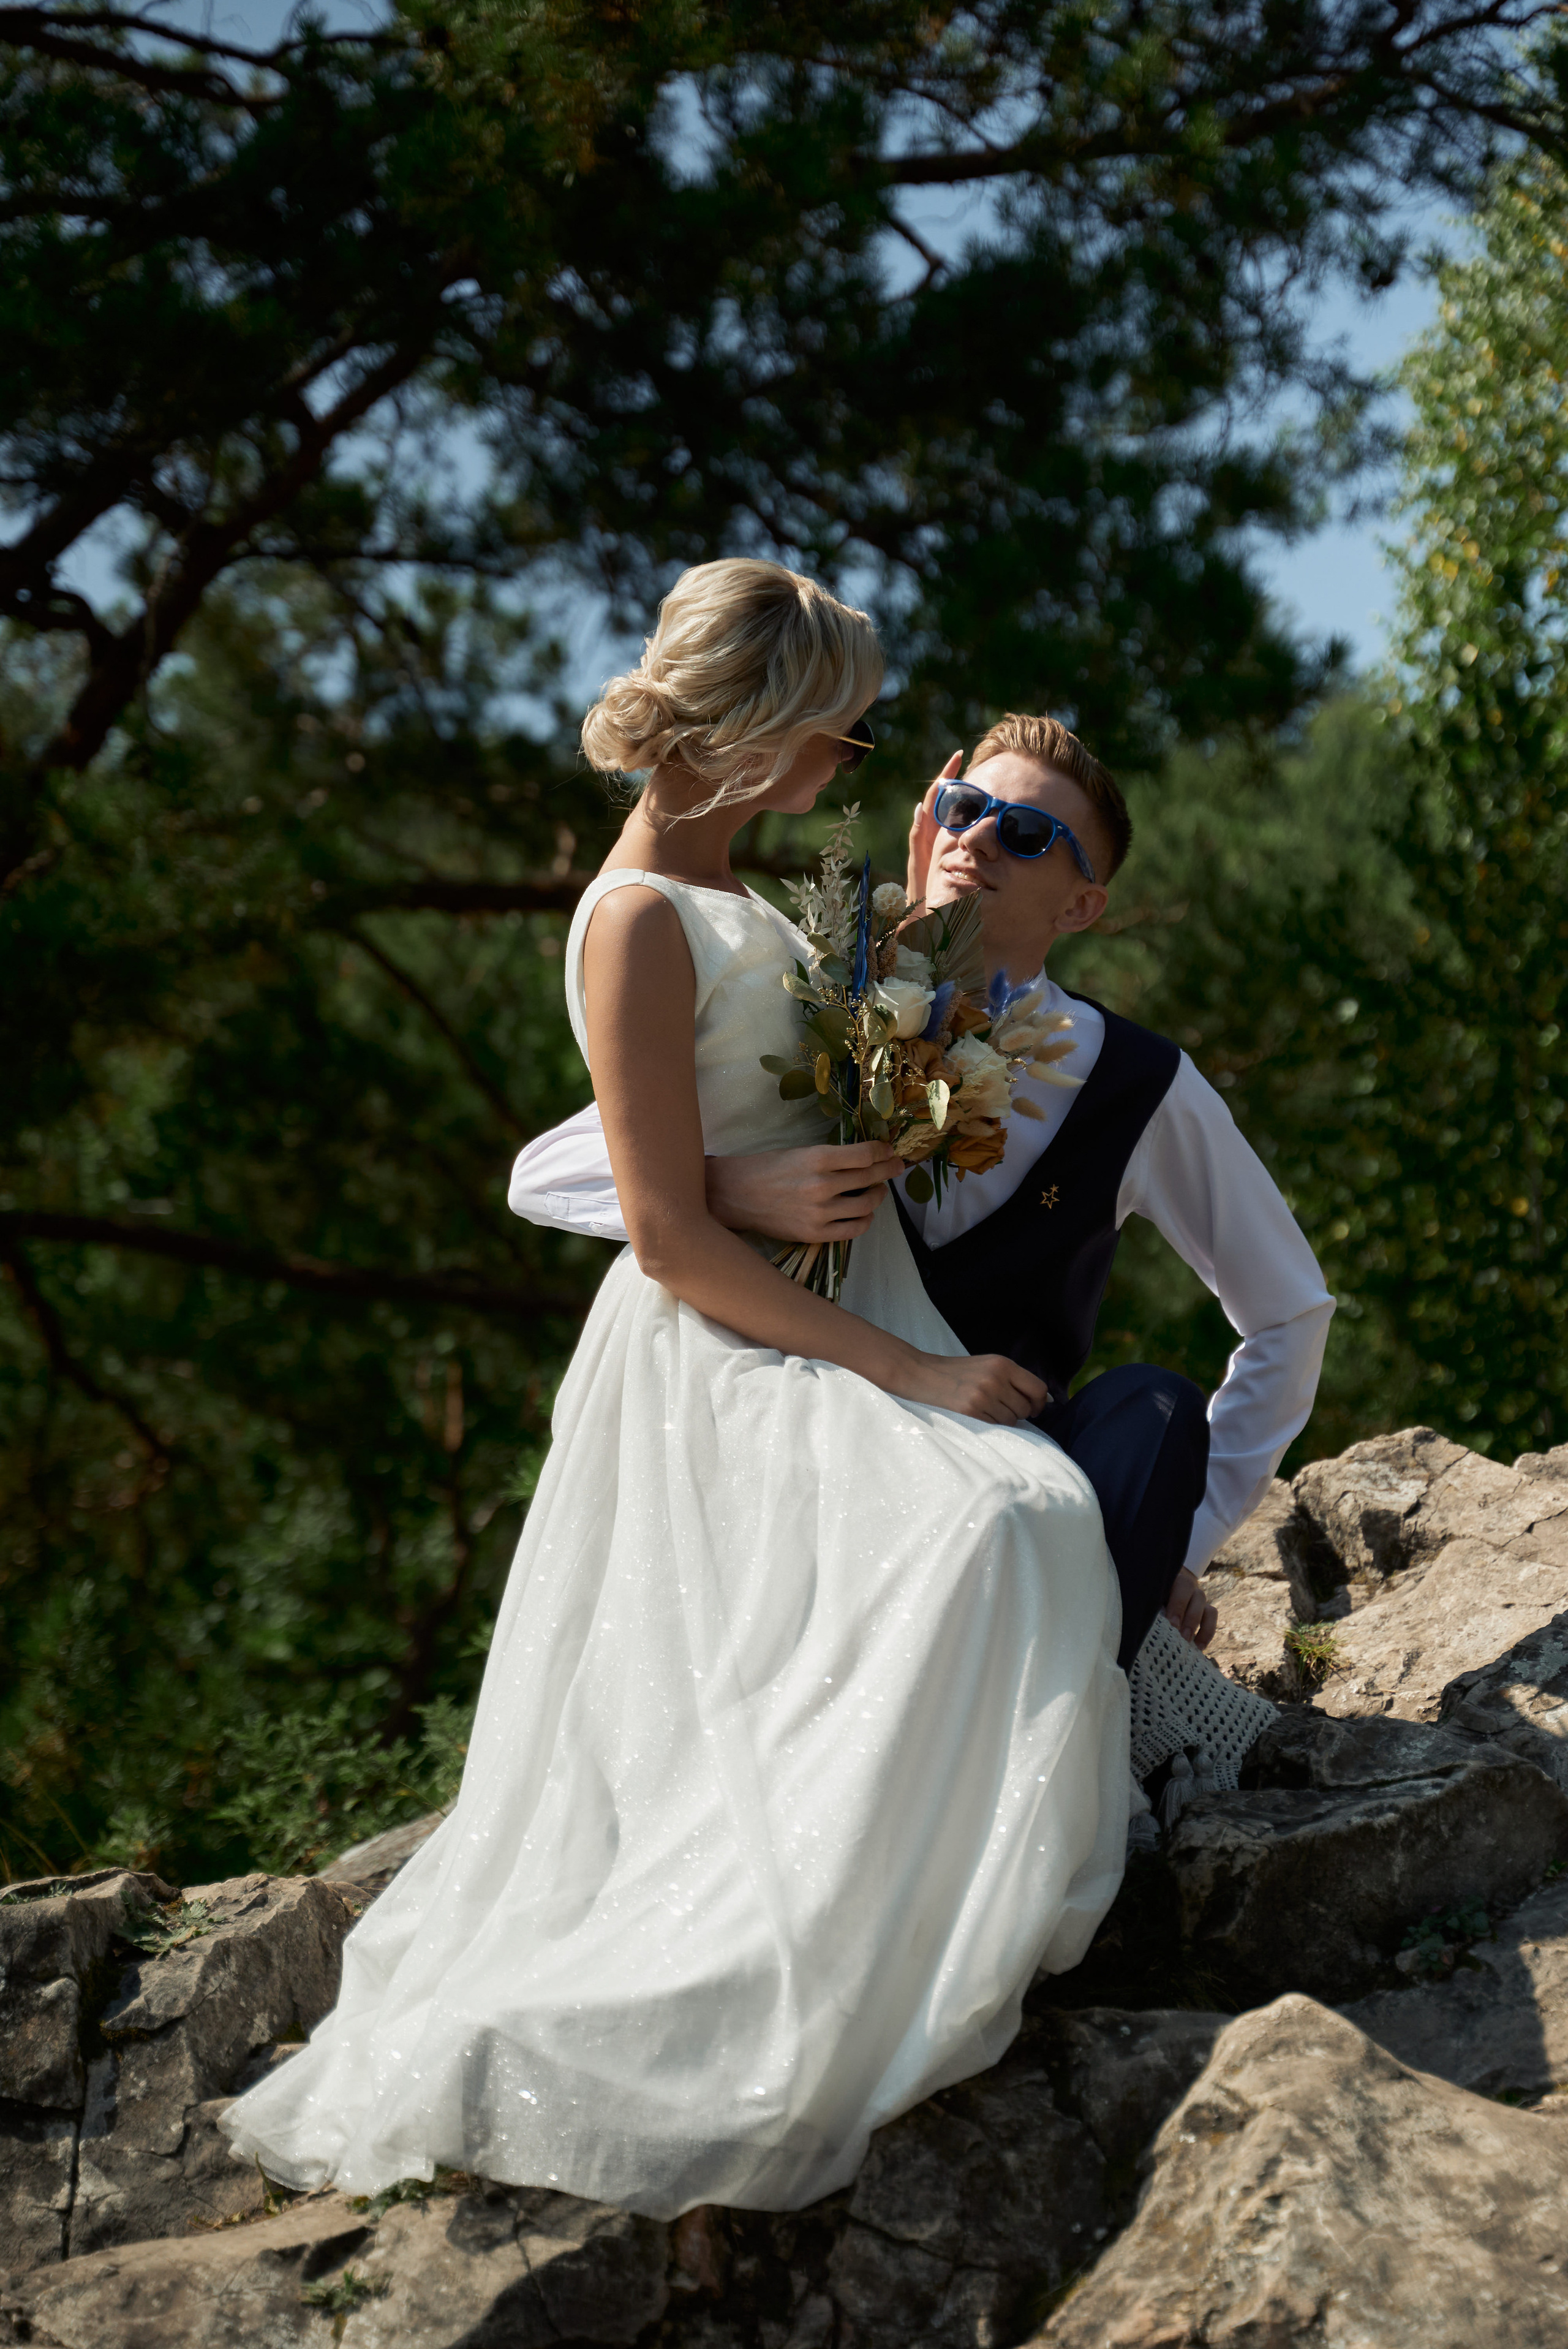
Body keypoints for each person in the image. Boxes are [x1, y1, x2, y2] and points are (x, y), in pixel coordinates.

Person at [221, 559, 1132, 2220]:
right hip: (726, 1349)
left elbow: (735, 1136)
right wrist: (894, 1352)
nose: (848, 773)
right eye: (844, 740)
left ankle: (893, 1916)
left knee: (1031, 1512)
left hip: (827, 1303)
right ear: (764, 727)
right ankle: (773, 1963)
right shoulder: (636, 915)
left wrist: (893, 1050)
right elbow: (654, 1227)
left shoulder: (753, 904)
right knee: (999, 1527)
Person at [510, 716, 1335, 1674]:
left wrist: (1175, 1539)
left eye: (1026, 834)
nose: (978, 836)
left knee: (1154, 1411)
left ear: (1083, 907)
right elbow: (551, 1170)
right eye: (965, 806)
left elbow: (1291, 1314)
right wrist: (731, 1187)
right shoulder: (825, 996)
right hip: (815, 1454)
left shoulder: (1141, 1086)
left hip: (1003, 1494)